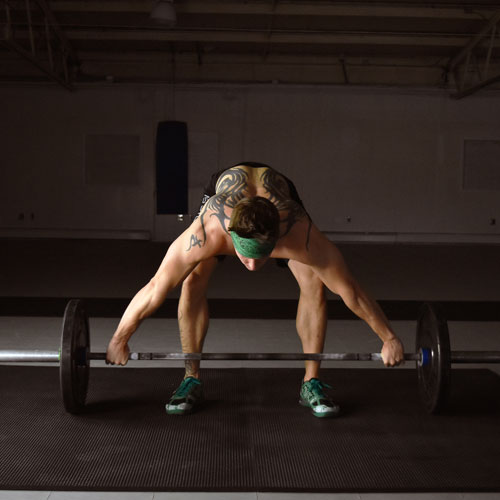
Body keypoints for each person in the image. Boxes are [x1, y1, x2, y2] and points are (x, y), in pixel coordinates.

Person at [106, 162, 405, 418]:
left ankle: (310, 382)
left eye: (260, 256)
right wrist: (120, 337)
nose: (250, 266)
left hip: (281, 193)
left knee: (314, 281)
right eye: (244, 255)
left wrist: (388, 337)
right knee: (192, 278)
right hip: (223, 193)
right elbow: (157, 285)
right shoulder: (207, 231)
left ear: (277, 241)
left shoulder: (299, 233)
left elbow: (350, 290)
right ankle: (191, 379)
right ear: (231, 237)